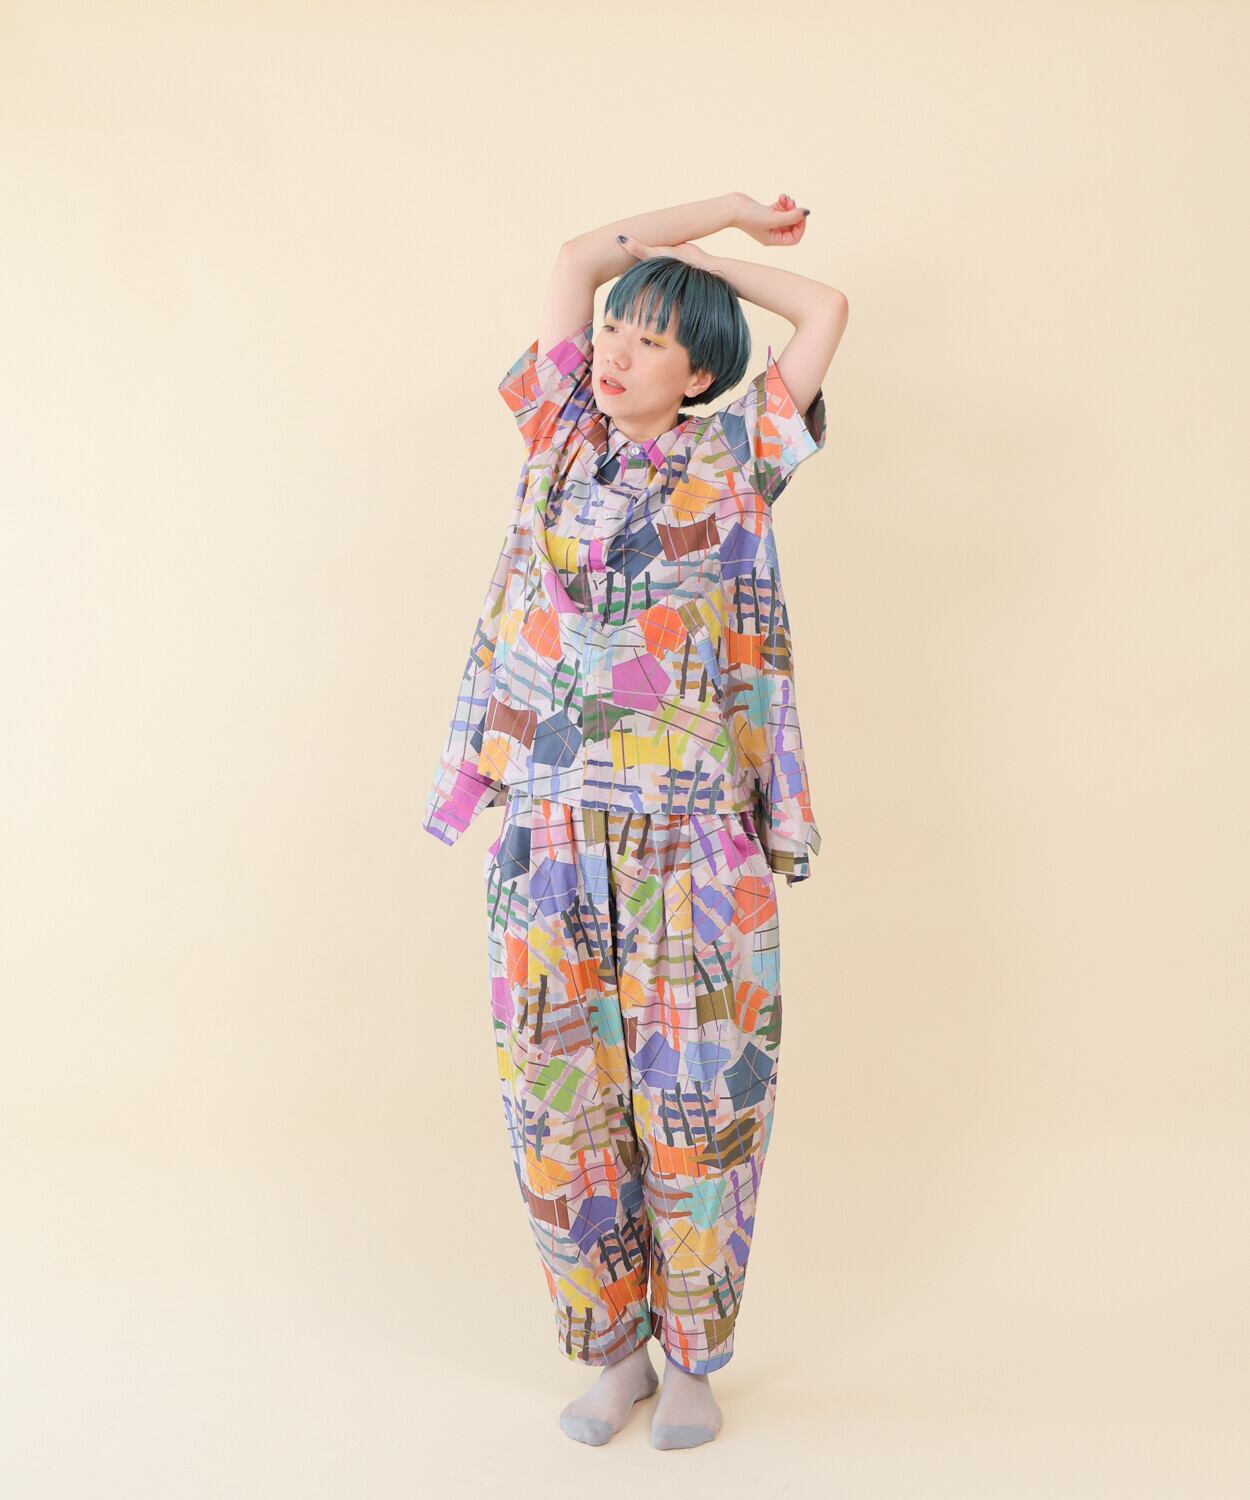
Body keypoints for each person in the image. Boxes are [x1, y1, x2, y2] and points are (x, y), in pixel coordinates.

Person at [423, 191, 848, 1449]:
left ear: (698, 372)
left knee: (702, 1102)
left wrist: (709, 264)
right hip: (550, 831)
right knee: (557, 1106)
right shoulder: (557, 430)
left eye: (651, 338)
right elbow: (573, 257)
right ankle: (612, 1355)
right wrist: (704, 213)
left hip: (692, 839)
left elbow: (823, 308)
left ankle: (696, 1358)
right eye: (615, 327)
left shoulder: (740, 455)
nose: (614, 350)